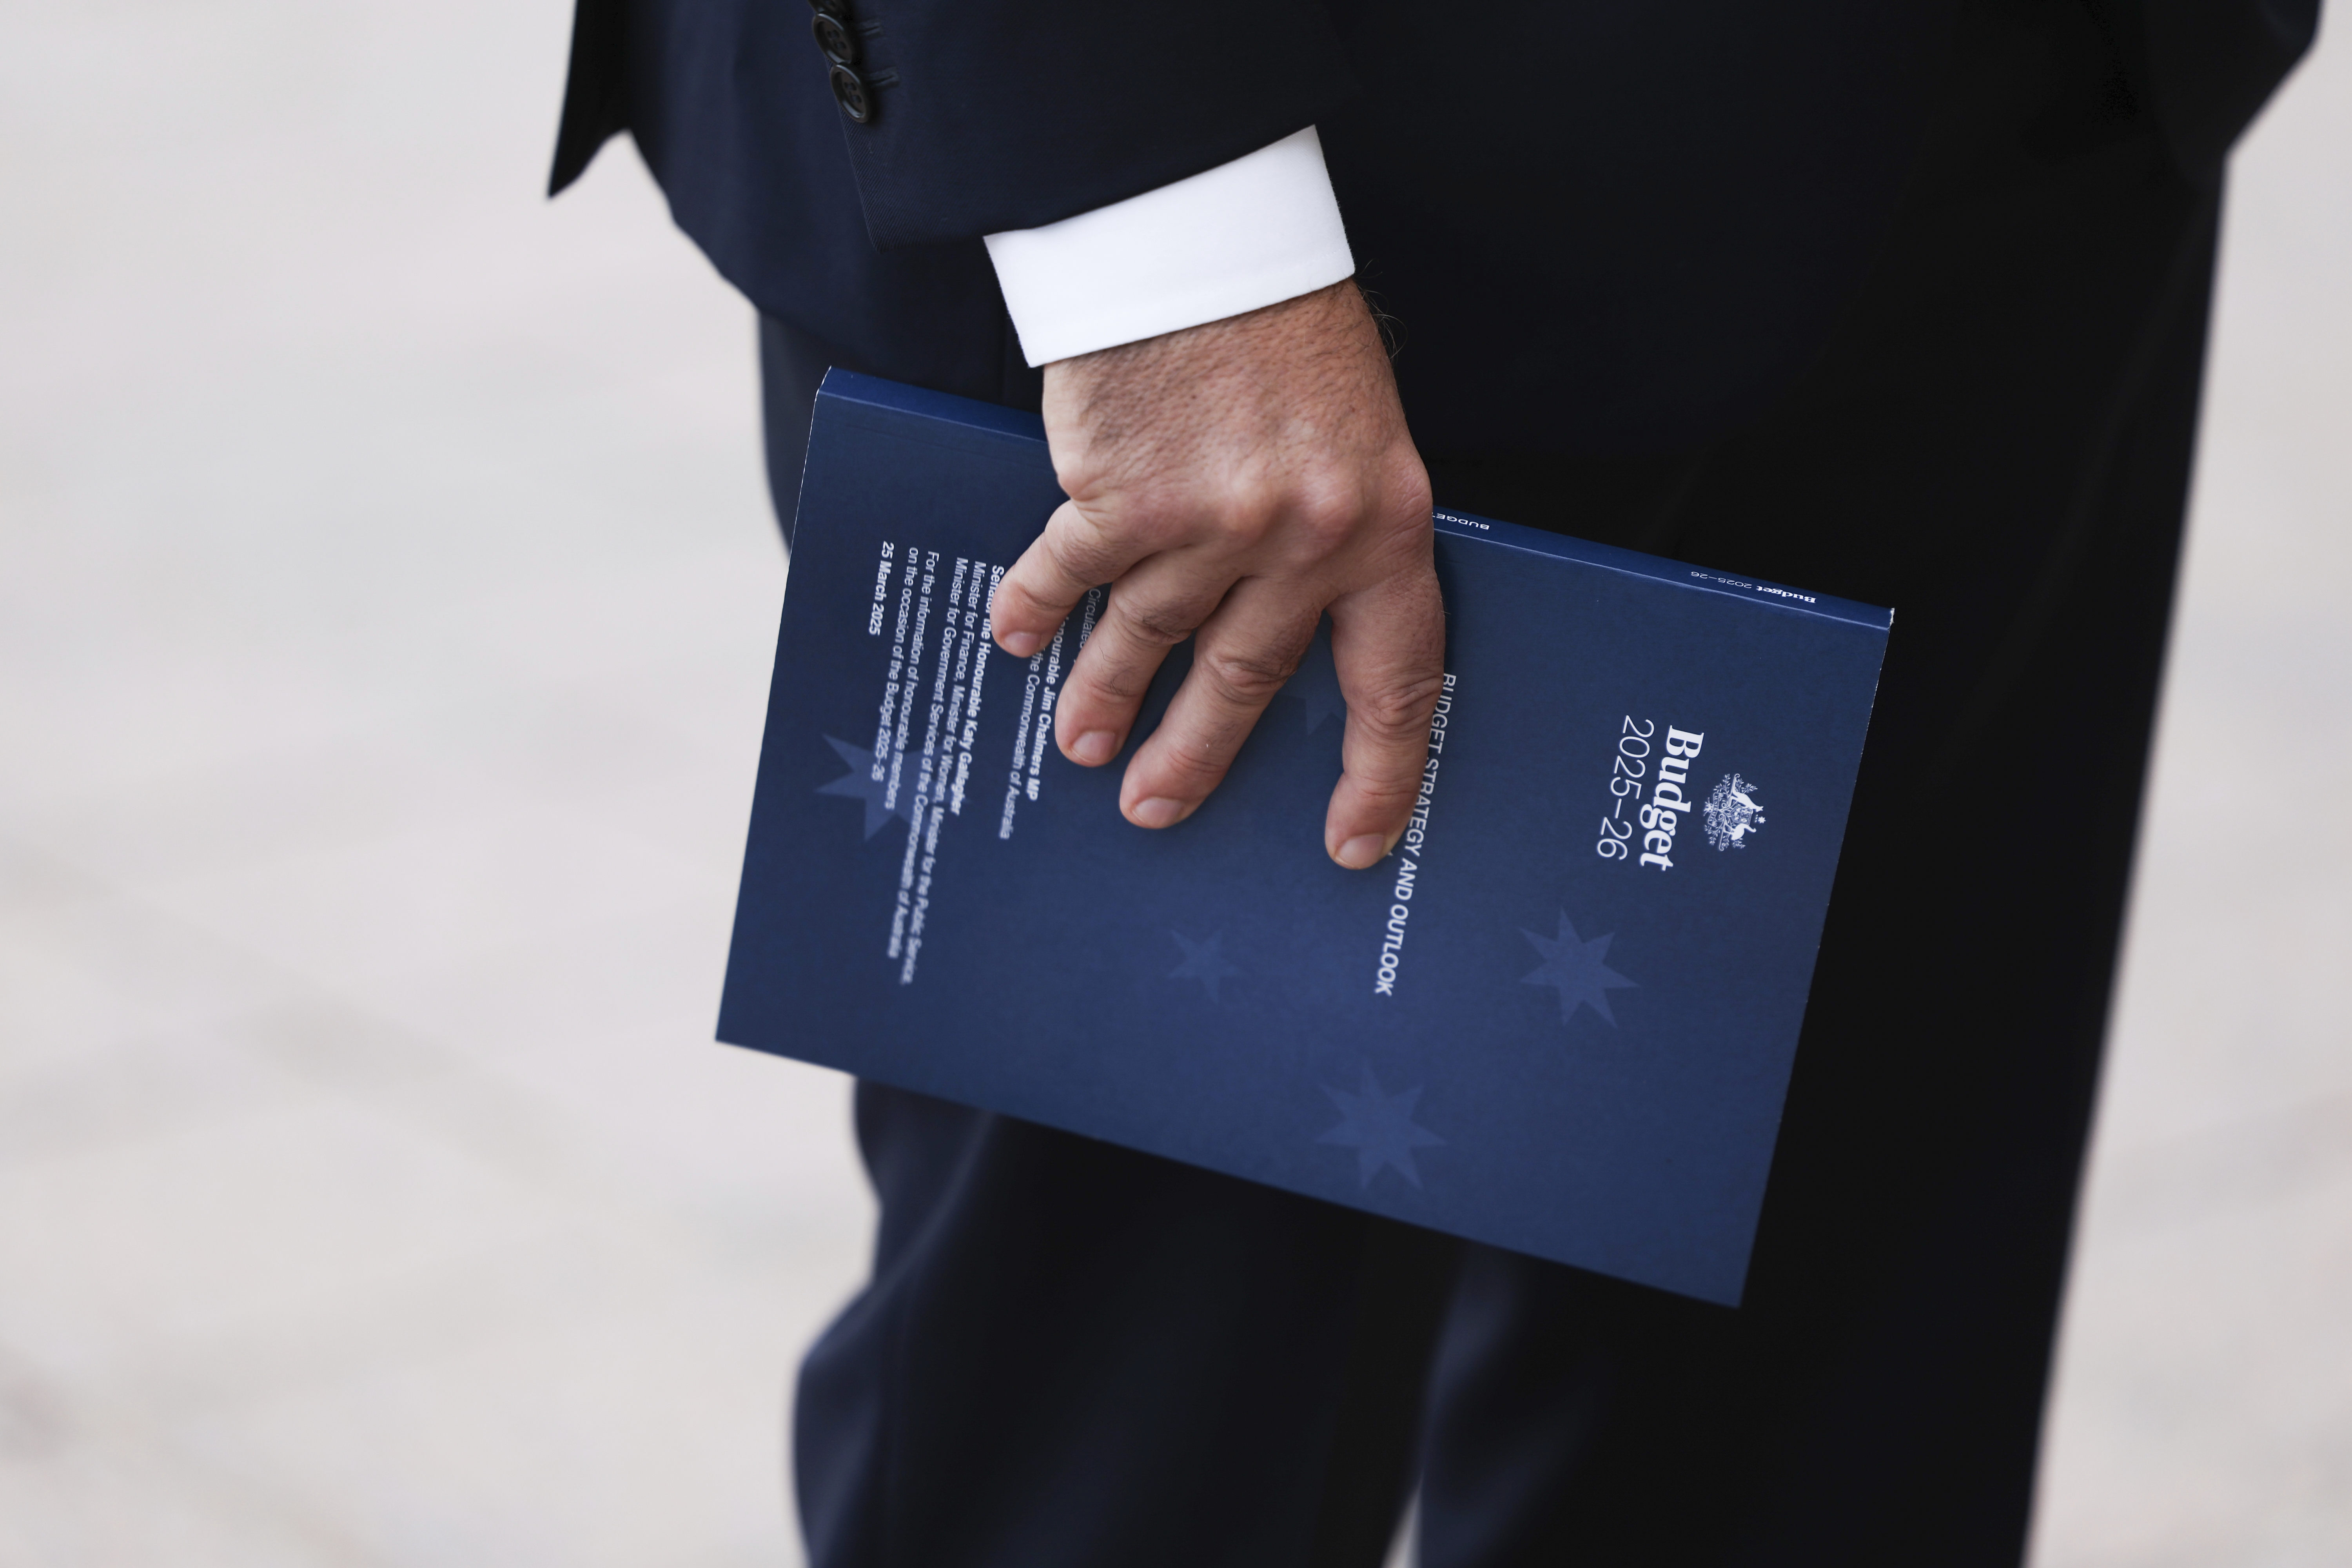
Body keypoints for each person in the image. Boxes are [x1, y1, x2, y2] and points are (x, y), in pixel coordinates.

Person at [548, 0, 2315, 1561]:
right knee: (1123, 1463)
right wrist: (1160, 233)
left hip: (2023, 119)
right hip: (1276, 228)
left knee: (1823, 1429)